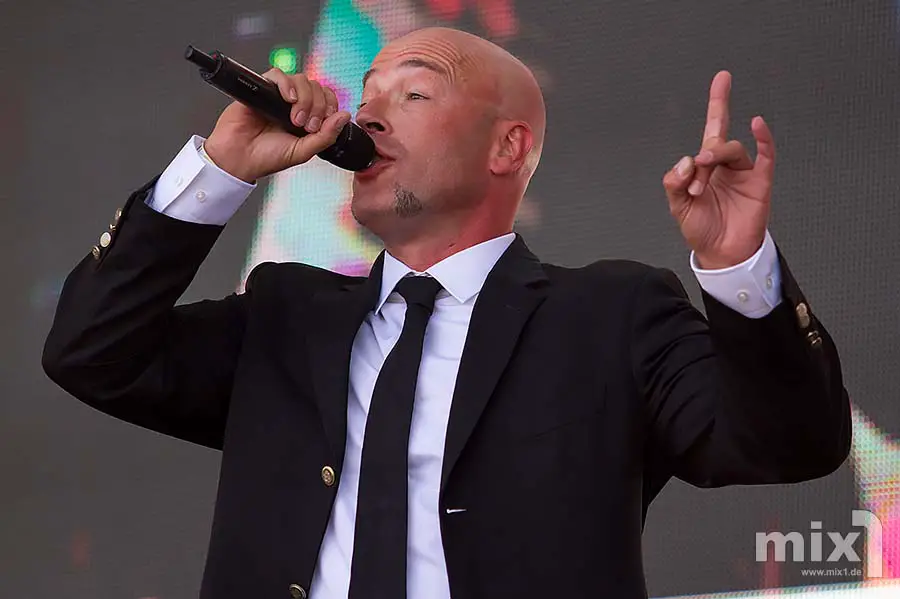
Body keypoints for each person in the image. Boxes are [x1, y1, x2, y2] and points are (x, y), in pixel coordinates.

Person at [42, 26, 850, 599]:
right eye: (367, 95)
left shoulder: (612, 315)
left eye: (414, 91)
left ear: (507, 147)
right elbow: (91, 350)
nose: (368, 115)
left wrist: (737, 264)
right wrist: (221, 170)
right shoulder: (286, 314)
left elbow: (791, 442)